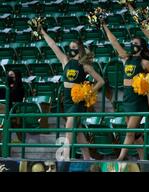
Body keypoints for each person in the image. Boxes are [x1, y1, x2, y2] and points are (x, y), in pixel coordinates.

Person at [40, 29, 105, 160]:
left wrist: (87, 92)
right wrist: (42, 32)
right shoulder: (65, 61)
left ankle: (65, 155)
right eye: (70, 47)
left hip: (78, 100)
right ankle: (87, 157)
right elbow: (53, 46)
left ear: (80, 49)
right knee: (78, 129)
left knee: (69, 125)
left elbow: (101, 81)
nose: (71, 49)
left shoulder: (85, 66)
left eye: (74, 47)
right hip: (67, 99)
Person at [102, 23, 149, 161]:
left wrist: (147, 87)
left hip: (138, 101)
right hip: (127, 99)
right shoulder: (127, 58)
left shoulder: (145, 63)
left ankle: (121, 158)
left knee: (129, 132)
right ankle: (144, 158)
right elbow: (114, 42)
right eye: (131, 42)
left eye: (135, 43)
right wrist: (105, 26)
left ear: (141, 47)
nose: (131, 44)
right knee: (134, 134)